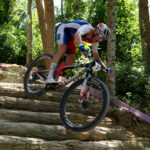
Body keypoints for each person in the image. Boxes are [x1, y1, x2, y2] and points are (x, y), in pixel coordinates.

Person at [46, 20, 111, 83]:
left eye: (102, 39)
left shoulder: (94, 41)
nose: (100, 40)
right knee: (62, 49)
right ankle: (49, 76)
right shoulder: (87, 27)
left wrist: (105, 68)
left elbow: (96, 57)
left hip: (71, 36)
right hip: (63, 28)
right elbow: (77, 34)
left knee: (70, 61)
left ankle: (56, 73)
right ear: (96, 31)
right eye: (100, 37)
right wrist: (81, 47)